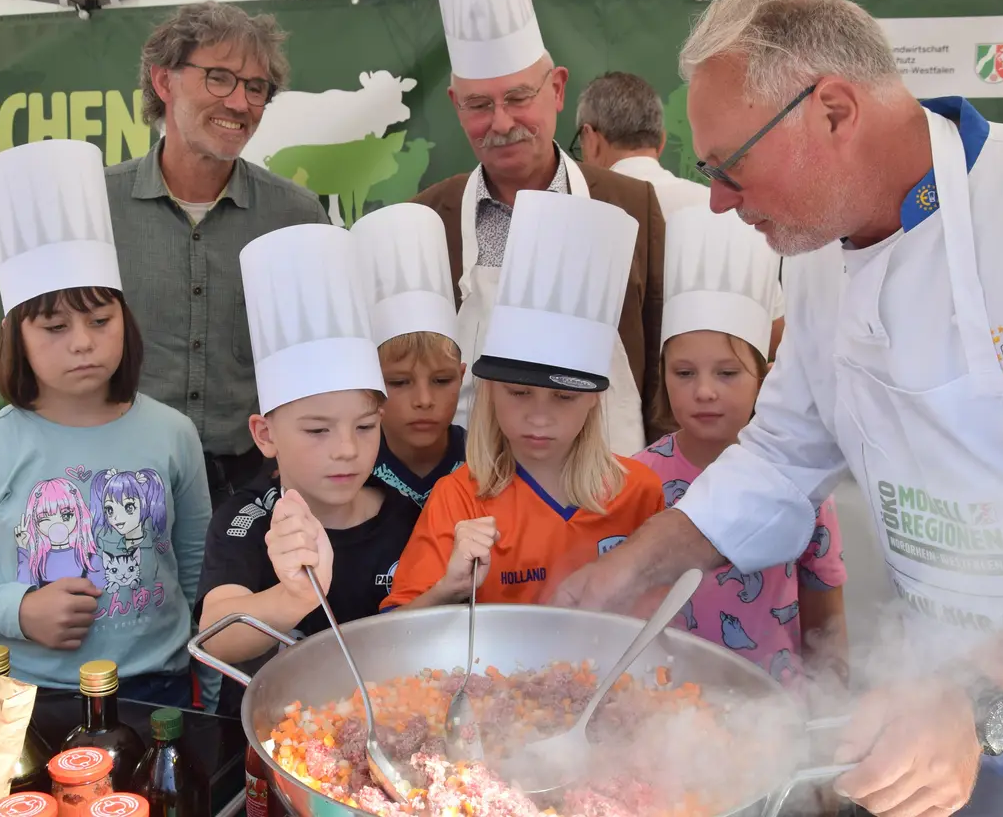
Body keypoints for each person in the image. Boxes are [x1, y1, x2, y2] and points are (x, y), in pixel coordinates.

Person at [549, 0, 1003, 812]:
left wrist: (977, 704)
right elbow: (782, 456)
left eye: (731, 166)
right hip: (925, 721)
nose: (716, 199)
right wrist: (623, 574)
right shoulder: (821, 255)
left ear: (832, 110)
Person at [0, 140, 212, 709]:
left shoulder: (173, 434)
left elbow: (197, 567)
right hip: (33, 694)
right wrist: (20, 610)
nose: (83, 343)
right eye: (53, 327)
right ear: (17, 339)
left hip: (163, 687)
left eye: (100, 320)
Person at [415, 0, 665, 456]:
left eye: (518, 97)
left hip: (609, 481)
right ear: (456, 105)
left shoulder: (630, 205)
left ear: (556, 89)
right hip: (468, 491)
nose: (501, 122)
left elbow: (662, 358)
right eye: (479, 105)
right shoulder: (427, 220)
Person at [382, 193, 664, 611]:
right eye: (518, 393)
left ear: (594, 399)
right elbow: (394, 633)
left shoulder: (639, 493)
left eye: (564, 397)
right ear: (490, 390)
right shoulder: (459, 499)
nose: (538, 417)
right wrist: (449, 587)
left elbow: (655, 620)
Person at [105, 1, 329, 513]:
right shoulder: (98, 206)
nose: (240, 102)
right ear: (164, 82)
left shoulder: (295, 216)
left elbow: (316, 363)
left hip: (252, 493)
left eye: (255, 88)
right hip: (119, 487)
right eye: (220, 79)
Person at [193, 223, 418, 720]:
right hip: (271, 744)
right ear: (265, 435)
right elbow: (216, 635)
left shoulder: (408, 514)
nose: (346, 450)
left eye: (364, 426)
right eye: (317, 431)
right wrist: (292, 595)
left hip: (394, 730)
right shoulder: (248, 521)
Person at [633, 207, 846, 693]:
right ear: (662, 378)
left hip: (775, 710)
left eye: (727, 373)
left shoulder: (803, 486)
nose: (704, 391)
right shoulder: (638, 478)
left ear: (765, 378)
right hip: (666, 710)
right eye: (683, 373)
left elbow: (826, 617)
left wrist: (831, 705)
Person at [573, 71, 784, 358]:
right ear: (661, 141)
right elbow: (775, 336)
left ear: (590, 138)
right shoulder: (733, 214)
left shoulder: (577, 216)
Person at [351, 204, 468, 508]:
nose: (424, 400)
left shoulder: (486, 463)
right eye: (400, 382)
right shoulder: (350, 470)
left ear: (462, 375)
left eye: (442, 380)